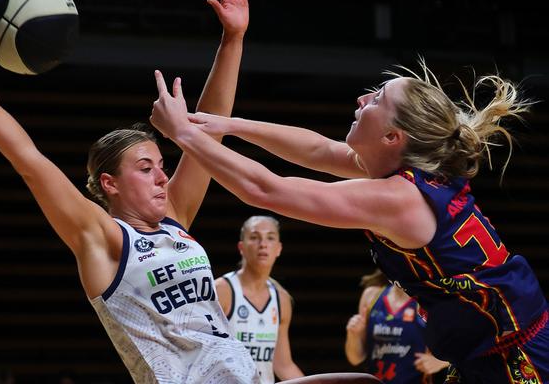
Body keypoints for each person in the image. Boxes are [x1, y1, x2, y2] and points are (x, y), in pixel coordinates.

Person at [0, 0, 262, 384]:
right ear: (109, 183)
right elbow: (31, 163)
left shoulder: (175, 220)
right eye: (145, 168)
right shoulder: (103, 238)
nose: (161, 177)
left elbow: (208, 132)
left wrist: (233, 39)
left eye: (162, 166)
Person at [150, 61, 549, 383]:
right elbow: (319, 150)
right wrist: (225, 125)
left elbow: (267, 190)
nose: (361, 98)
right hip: (489, 352)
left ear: (393, 137)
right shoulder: (411, 175)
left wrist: (184, 133)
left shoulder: (398, 199)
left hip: (517, 361)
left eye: (376, 100)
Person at [216, 215, 304, 383]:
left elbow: (283, 365)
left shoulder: (281, 299)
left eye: (270, 238)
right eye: (255, 237)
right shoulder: (223, 290)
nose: (263, 244)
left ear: (278, 248)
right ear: (241, 247)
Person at [345, 269, 448, 383]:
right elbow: (355, 359)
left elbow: (464, 346)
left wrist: (441, 362)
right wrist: (354, 334)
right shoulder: (371, 295)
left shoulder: (430, 299)